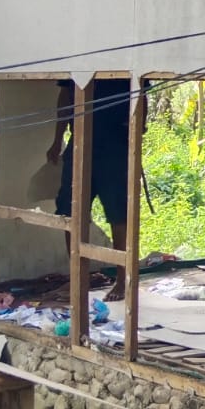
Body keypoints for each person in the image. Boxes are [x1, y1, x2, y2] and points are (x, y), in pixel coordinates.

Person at [48, 78, 134, 302]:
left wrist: (135, 135)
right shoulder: (79, 55)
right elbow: (66, 95)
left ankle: (123, 278)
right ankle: (78, 277)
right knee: (70, 210)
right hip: (80, 143)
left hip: (114, 145)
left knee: (118, 212)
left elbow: (141, 96)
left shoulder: (126, 59)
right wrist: (57, 139)